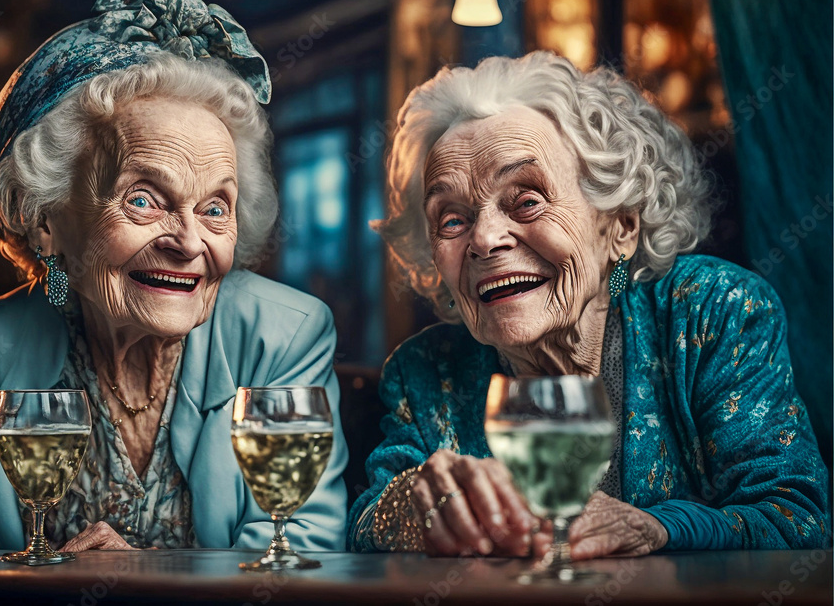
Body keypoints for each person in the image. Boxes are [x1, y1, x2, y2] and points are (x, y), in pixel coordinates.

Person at [349, 51, 829, 558]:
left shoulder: (713, 312)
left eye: (527, 200)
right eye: (451, 220)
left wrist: (655, 529)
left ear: (620, 226)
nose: (485, 239)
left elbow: (794, 518)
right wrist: (409, 506)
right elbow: (365, 522)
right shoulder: (425, 372)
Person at [0, 0, 347, 552]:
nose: (188, 240)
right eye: (144, 200)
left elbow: (302, 546)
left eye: (214, 208)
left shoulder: (286, 336)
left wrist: (150, 578)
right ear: (49, 220)